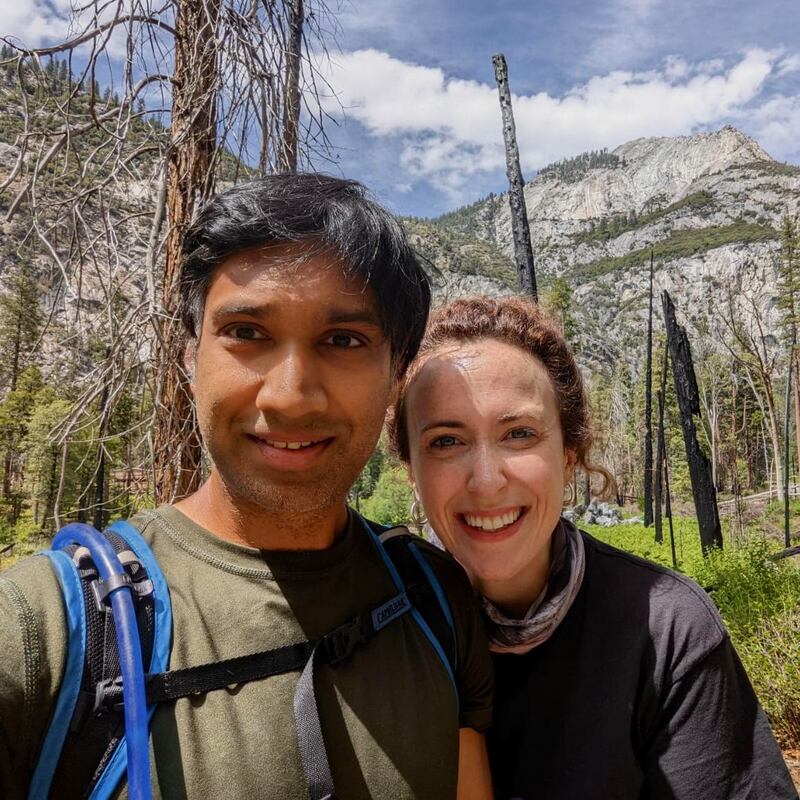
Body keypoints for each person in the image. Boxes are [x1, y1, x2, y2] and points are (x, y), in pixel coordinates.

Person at [0, 174, 494, 799]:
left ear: (396, 373)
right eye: (247, 333)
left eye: (343, 340)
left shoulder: (437, 601)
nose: (289, 396)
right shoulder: (43, 631)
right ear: (188, 356)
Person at [390, 294, 798, 800]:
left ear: (568, 457)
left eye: (519, 434)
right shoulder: (374, 623)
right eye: (446, 441)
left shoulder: (665, 630)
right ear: (412, 470)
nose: (487, 480)